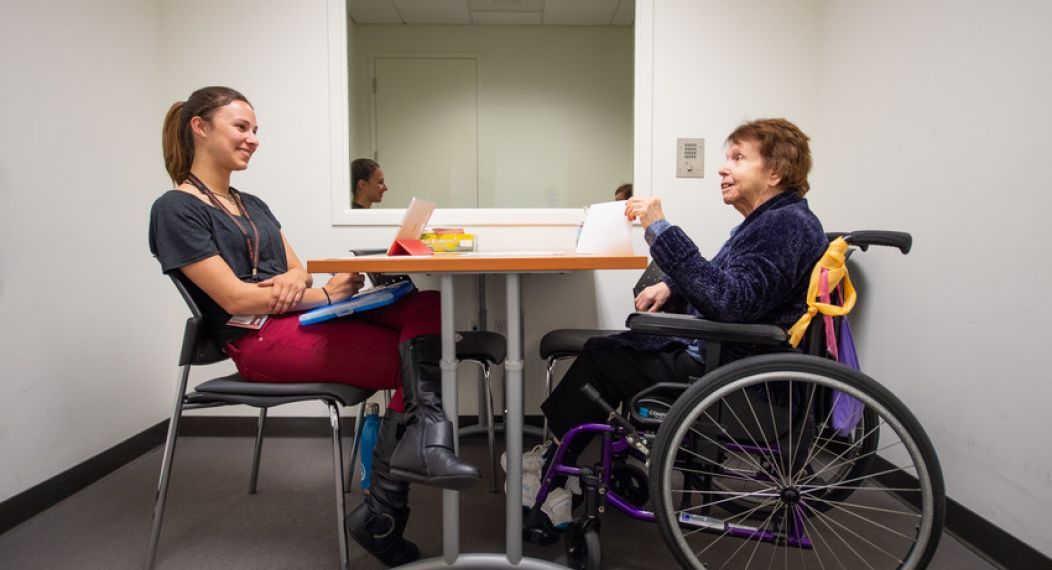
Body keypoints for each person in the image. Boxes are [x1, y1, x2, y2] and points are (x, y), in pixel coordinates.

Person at [149, 86, 479, 567]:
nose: (253, 138)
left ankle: (424, 440)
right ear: (199, 127)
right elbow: (235, 297)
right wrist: (319, 295)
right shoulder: (176, 208)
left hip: (297, 315)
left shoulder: (251, 203)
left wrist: (298, 284)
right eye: (241, 127)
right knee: (422, 361)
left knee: (427, 304)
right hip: (257, 339)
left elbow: (298, 267)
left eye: (255, 129)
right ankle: (386, 511)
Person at [529, 118, 827, 530]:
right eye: (726, 158)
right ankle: (559, 456)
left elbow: (729, 300)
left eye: (738, 158)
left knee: (601, 357)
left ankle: (553, 465)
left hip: (737, 380)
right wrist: (670, 286)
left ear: (775, 173)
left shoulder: (785, 225)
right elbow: (726, 281)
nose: (723, 168)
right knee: (618, 347)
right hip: (732, 361)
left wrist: (660, 228)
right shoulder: (772, 222)